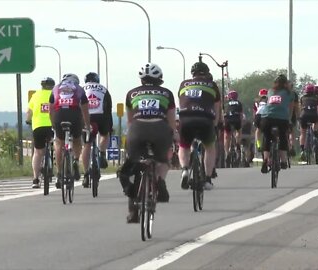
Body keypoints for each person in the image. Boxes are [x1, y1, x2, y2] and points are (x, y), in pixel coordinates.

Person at [119, 63, 176, 223]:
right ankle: (160, 181)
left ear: (142, 80)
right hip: (160, 129)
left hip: (137, 130)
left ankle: (132, 211)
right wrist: (174, 136)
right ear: (159, 79)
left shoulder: (131, 93)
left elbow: (130, 122)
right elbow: (171, 122)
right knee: (163, 160)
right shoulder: (167, 93)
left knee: (135, 164)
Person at [178, 62, 221, 190]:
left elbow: (181, 102)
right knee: (209, 147)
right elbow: (217, 109)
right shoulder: (212, 85)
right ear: (207, 73)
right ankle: (207, 179)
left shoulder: (183, 84)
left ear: (193, 74)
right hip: (205, 119)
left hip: (186, 119)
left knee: (184, 146)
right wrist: (215, 125)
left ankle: (185, 169)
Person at [49, 73, 91, 188]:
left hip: (59, 115)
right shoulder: (79, 89)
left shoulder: (55, 88)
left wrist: (53, 124)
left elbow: (51, 109)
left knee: (58, 142)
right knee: (77, 140)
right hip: (74, 114)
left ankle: (58, 173)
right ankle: (76, 161)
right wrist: (87, 125)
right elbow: (85, 111)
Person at [81, 72, 113, 188]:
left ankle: (85, 174)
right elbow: (109, 107)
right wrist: (110, 126)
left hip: (87, 118)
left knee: (87, 145)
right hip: (101, 117)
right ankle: (102, 154)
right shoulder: (103, 89)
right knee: (105, 134)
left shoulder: (81, 89)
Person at [259, 75, 293, 173]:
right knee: (282, 137)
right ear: (286, 84)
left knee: (267, 137)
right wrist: (289, 120)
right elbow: (290, 108)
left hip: (266, 118)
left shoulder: (270, 91)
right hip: (281, 119)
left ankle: (265, 160)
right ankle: (283, 161)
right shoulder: (288, 93)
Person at [26, 77, 55, 188]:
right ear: (52, 86)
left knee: (38, 153)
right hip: (52, 127)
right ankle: (60, 174)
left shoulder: (36, 95)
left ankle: (35, 179)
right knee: (58, 146)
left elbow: (29, 111)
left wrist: (28, 120)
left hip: (38, 127)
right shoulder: (55, 95)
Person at [298, 84, 318, 162]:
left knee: (303, 133)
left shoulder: (302, 98)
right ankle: (315, 134)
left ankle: (302, 149)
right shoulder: (316, 98)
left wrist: (299, 117)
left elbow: (300, 108)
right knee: (316, 122)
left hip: (304, 115)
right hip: (313, 115)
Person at [223, 90, 243, 167]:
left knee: (226, 135)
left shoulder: (226, 104)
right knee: (239, 130)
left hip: (228, 119)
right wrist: (241, 123)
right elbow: (241, 115)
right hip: (236, 119)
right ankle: (237, 142)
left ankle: (226, 152)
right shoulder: (239, 103)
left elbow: (223, 113)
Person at [288, 81, 300, 157]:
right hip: (291, 115)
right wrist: (298, 115)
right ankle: (291, 146)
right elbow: (296, 106)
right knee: (291, 132)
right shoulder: (294, 94)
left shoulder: (280, 93)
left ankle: (288, 146)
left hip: (281, 114)